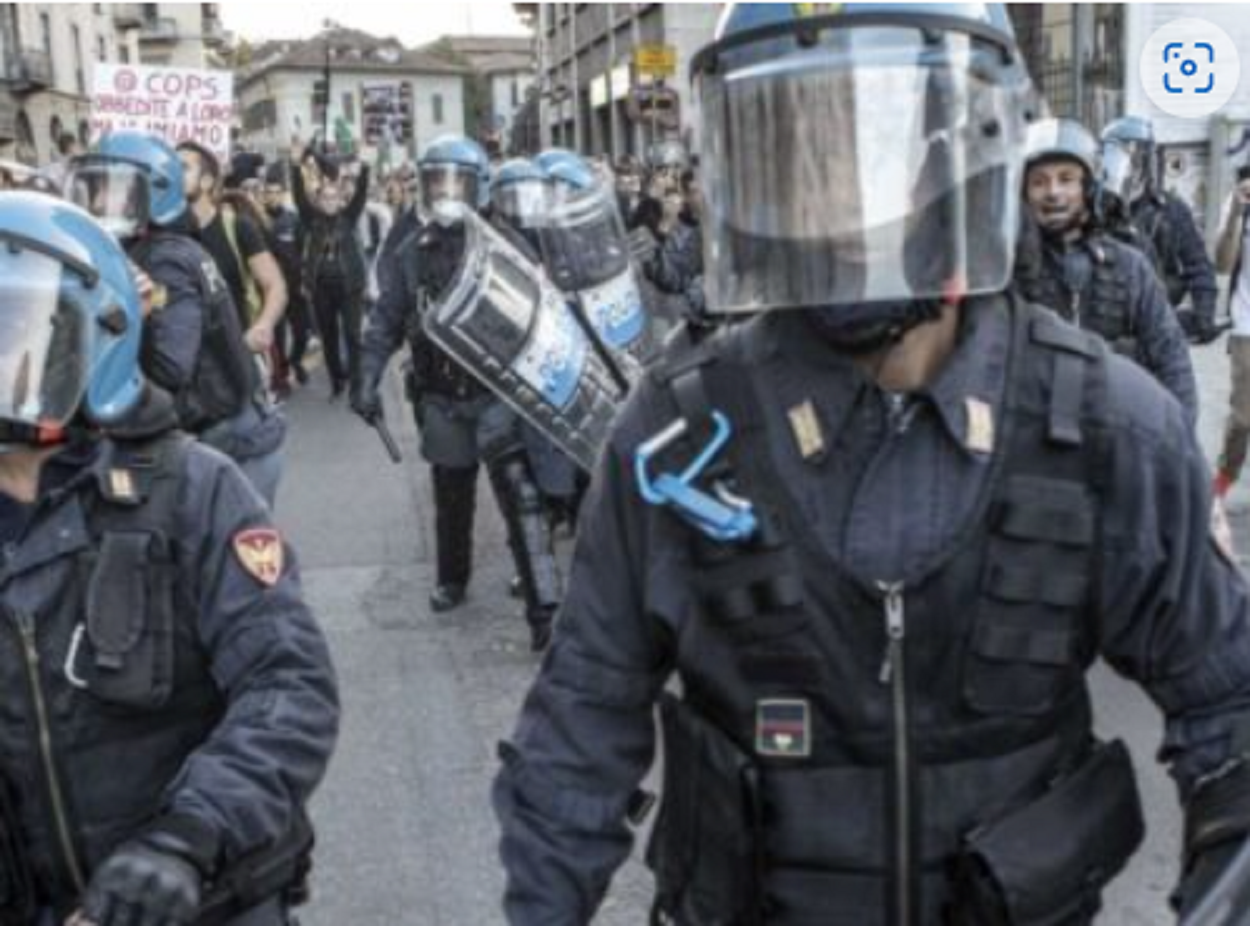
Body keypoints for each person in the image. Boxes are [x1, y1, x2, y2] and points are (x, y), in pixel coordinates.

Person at [493, 5, 1250, 925]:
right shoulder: (677, 435)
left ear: (955, 153)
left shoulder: (1106, 427)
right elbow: (580, 725)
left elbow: (1230, 700)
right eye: (796, 147)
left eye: (871, 139)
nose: (831, 192)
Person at [0, 191, 338, 926]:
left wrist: (188, 837)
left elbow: (288, 682)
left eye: (15, 331)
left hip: (203, 895)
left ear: (91, 339)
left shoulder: (192, 487)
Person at [353, 135, 562, 652]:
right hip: (441, 391)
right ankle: (452, 577)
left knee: (520, 494)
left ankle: (544, 608)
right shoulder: (409, 246)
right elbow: (386, 318)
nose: (446, 193)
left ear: (480, 186)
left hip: (498, 389)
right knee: (451, 490)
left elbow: (544, 310)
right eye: (436, 181)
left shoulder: (509, 239)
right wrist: (366, 375)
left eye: (457, 182)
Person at [68, 131, 288, 507]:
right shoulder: (152, 250)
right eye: (95, 186)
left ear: (151, 193)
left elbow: (171, 369)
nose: (100, 200)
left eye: (113, 187)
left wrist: (137, 319)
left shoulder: (164, 260)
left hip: (232, 445)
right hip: (224, 435)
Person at [1015, 117, 1198, 424]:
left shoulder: (1130, 266)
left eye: (1066, 178)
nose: (1053, 192)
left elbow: (1172, 358)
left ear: (1088, 186)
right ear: (1023, 192)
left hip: (1117, 429)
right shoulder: (1007, 271)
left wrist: (1179, 443)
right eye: (1039, 181)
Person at [1101, 115, 1222, 343]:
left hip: (1158, 324)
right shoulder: (1093, 210)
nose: (1129, 167)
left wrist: (1203, 315)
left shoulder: (1172, 210)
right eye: (1120, 156)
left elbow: (1199, 267)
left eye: (1137, 157)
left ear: (1150, 160)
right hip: (1104, 324)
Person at [176, 141, 288, 359]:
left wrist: (263, 325)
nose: (172, 173)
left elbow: (275, 285)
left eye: (183, 167)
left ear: (206, 181)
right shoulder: (165, 234)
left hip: (236, 357)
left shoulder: (237, 226)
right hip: (187, 363)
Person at [291, 146, 371, 400]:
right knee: (329, 337)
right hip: (321, 288)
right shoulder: (311, 219)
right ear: (319, 199)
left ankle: (358, 384)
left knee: (352, 335)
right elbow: (298, 197)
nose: (329, 201)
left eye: (333, 197)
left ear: (340, 200)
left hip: (349, 287)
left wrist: (366, 168)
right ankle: (337, 380)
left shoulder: (349, 217)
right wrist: (295, 166)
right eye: (324, 197)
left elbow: (360, 195)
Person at [1212, 164, 1250, 499]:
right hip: (1247, 326)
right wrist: (1237, 212)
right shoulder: (1241, 199)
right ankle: (1224, 479)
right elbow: (1222, 263)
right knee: (1244, 417)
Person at [262, 166, 313, 392]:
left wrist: (305, 280)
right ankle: (281, 374)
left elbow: (305, 253)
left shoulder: (293, 220)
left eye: (276, 192)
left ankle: (295, 360)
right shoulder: (258, 220)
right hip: (273, 289)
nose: (272, 196)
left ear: (283, 194)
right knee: (279, 335)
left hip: (294, 287)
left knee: (302, 332)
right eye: (268, 192)